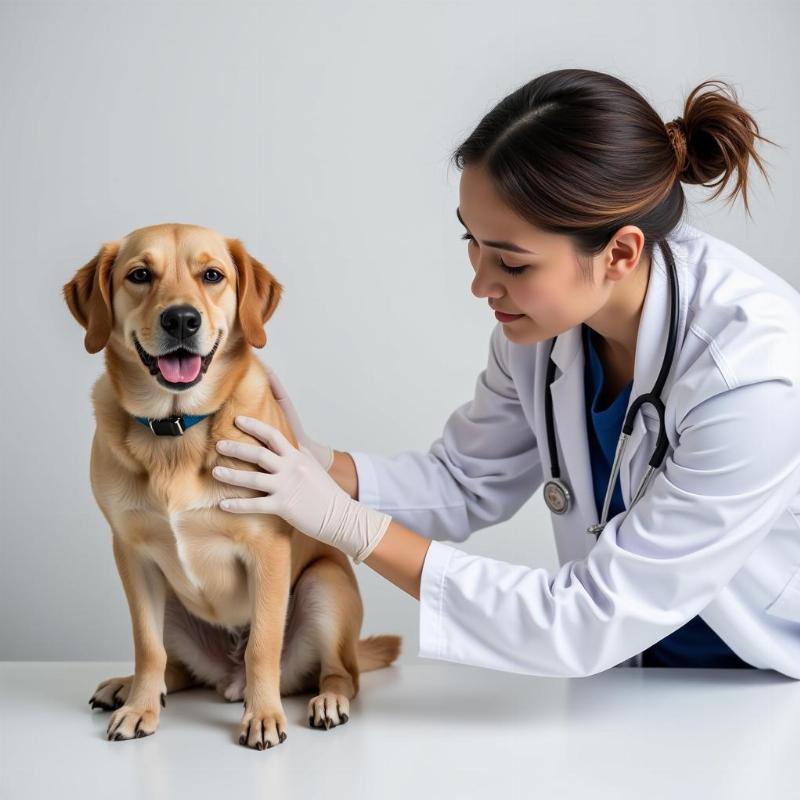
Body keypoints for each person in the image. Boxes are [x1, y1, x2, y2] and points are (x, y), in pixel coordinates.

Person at [212, 68, 800, 679]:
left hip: (762, 685)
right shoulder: (540, 332)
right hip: (631, 677)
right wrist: (309, 461)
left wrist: (346, 524)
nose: (480, 283)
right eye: (473, 241)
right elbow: (465, 480)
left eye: (513, 263)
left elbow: (585, 618)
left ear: (620, 253)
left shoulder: (751, 376)